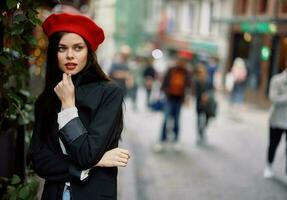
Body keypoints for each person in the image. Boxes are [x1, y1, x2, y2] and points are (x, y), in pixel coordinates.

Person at [28, 13, 130, 200]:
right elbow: (40, 162)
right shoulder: (47, 99)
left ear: (88, 52)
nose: (70, 55)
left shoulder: (109, 94)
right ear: (54, 53)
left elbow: (86, 155)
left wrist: (68, 106)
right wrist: (97, 161)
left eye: (78, 48)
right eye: (62, 48)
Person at [263, 52, 287, 191]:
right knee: (273, 144)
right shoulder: (277, 80)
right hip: (277, 120)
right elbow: (273, 98)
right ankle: (269, 165)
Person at [154, 50, 192, 152]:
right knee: (166, 119)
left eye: (184, 61)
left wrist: (188, 98)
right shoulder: (171, 70)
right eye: (180, 60)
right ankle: (162, 140)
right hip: (169, 98)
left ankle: (175, 140)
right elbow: (164, 82)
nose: (181, 63)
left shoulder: (186, 72)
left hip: (179, 99)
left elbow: (189, 85)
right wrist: (160, 94)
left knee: (176, 120)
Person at [194, 63, 215, 145]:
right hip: (199, 104)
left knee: (206, 118)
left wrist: (207, 96)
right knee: (199, 119)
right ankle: (200, 133)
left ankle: (203, 130)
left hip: (208, 104)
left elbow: (212, 91)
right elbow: (195, 93)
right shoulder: (197, 81)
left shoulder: (208, 81)